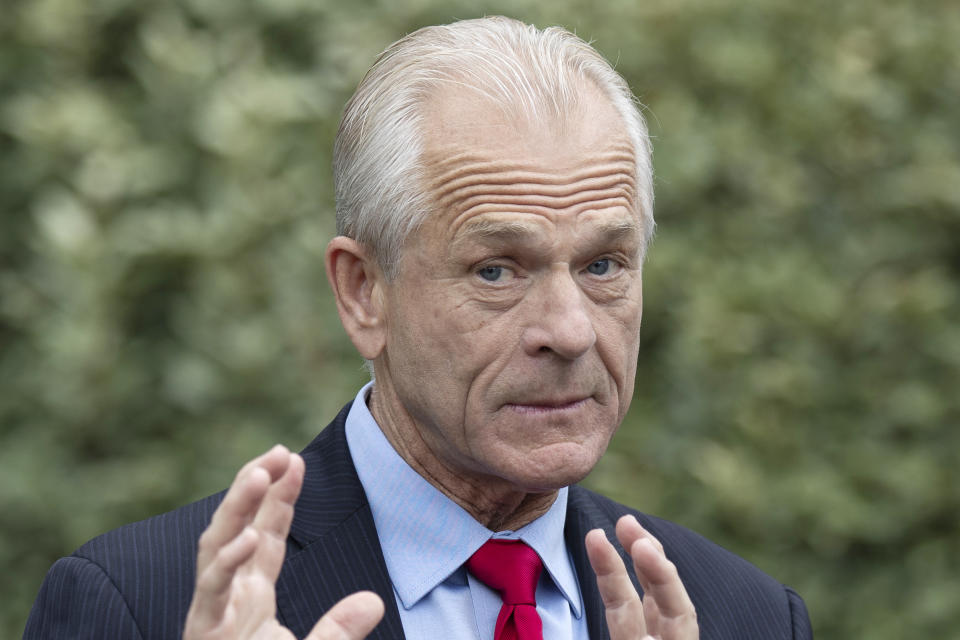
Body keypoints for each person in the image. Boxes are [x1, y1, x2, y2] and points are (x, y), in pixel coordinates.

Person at [24, 16, 812, 640]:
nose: (569, 331)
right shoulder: (140, 605)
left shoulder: (744, 616)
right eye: (497, 270)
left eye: (604, 265)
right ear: (364, 292)